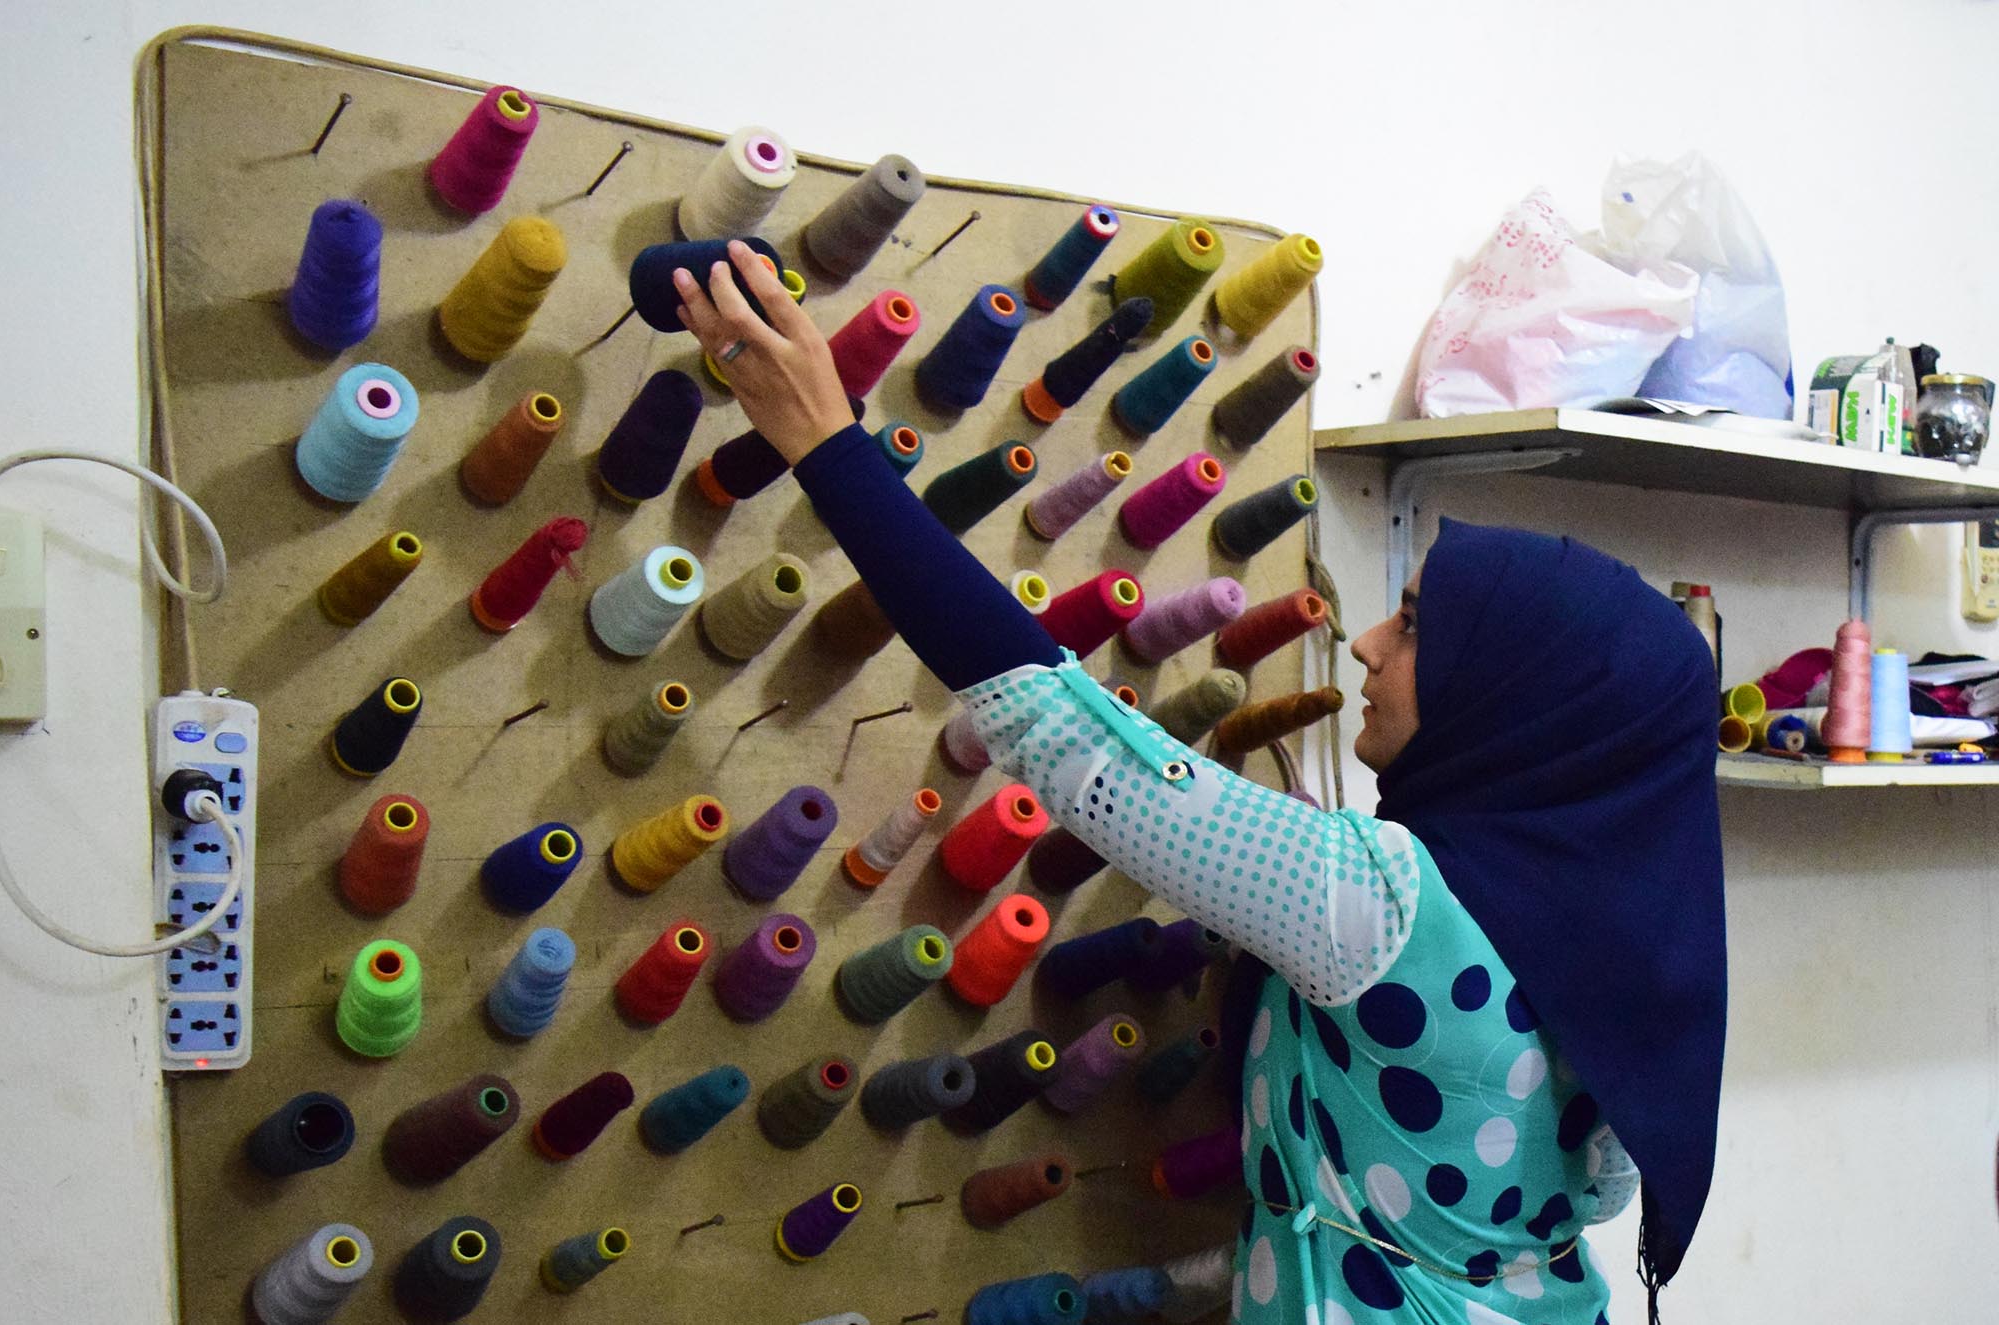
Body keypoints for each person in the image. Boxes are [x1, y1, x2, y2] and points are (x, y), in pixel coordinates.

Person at [670, 246, 1726, 1325]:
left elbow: (1052, 725)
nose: (1362, 645)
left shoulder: (1385, 902)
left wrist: (827, 447)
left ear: (1512, 698)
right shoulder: (1622, 932)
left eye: (1410, 626)